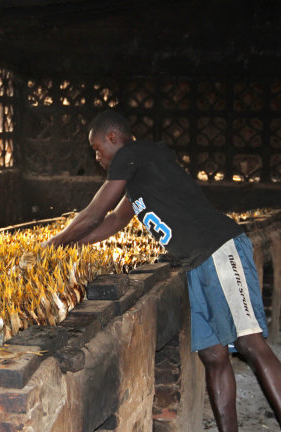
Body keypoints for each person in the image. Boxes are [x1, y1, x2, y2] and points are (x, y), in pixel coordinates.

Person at [42, 109, 281, 431]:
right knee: (213, 355)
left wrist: (51, 244)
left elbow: (96, 211)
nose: (97, 157)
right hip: (194, 263)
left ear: (112, 138)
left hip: (218, 250)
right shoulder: (141, 175)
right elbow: (113, 221)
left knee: (251, 344)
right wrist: (71, 246)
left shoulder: (133, 153)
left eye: (97, 148)